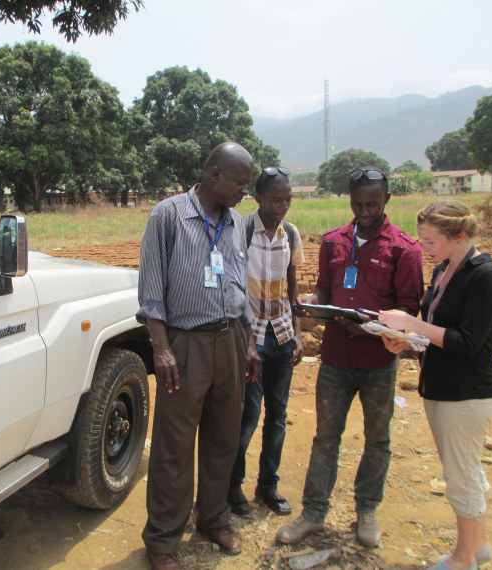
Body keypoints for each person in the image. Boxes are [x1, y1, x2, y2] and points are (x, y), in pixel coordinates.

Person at [275, 166, 423, 548]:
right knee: (326, 438)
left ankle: (367, 509)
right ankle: (313, 513)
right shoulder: (333, 242)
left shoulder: (405, 249)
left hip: (378, 361)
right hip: (337, 358)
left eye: (372, 203)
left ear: (387, 199)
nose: (364, 211)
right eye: (357, 203)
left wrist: (380, 326)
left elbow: (408, 307)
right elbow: (326, 289)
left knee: (377, 439)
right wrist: (314, 305)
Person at [136, 142, 262, 570]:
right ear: (214, 175)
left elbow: (240, 288)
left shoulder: (237, 224)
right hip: (184, 344)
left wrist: (247, 342)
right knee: (174, 447)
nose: (246, 190)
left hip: (229, 340)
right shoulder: (168, 216)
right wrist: (161, 346)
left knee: (223, 438)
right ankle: (162, 539)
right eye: (241, 182)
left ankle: (213, 518)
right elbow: (151, 291)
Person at [378, 199, 492, 570]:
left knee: (461, 476)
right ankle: (478, 545)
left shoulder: (484, 277)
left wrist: (412, 324)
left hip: (467, 393)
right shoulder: (444, 270)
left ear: (460, 236)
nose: (425, 249)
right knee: (466, 468)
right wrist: (407, 342)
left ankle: (464, 558)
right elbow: (438, 334)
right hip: (441, 386)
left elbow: (468, 341)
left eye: (431, 242)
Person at [227, 166, 304, 518]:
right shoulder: (240, 231)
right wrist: (242, 343)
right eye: (277, 199)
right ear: (258, 199)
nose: (283, 206)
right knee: (248, 414)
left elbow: (292, 287)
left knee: (278, 414)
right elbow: (229, 285)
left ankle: (268, 484)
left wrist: (299, 333)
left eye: (288, 199)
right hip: (252, 337)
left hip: (283, 334)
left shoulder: (291, 233)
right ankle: (233, 484)